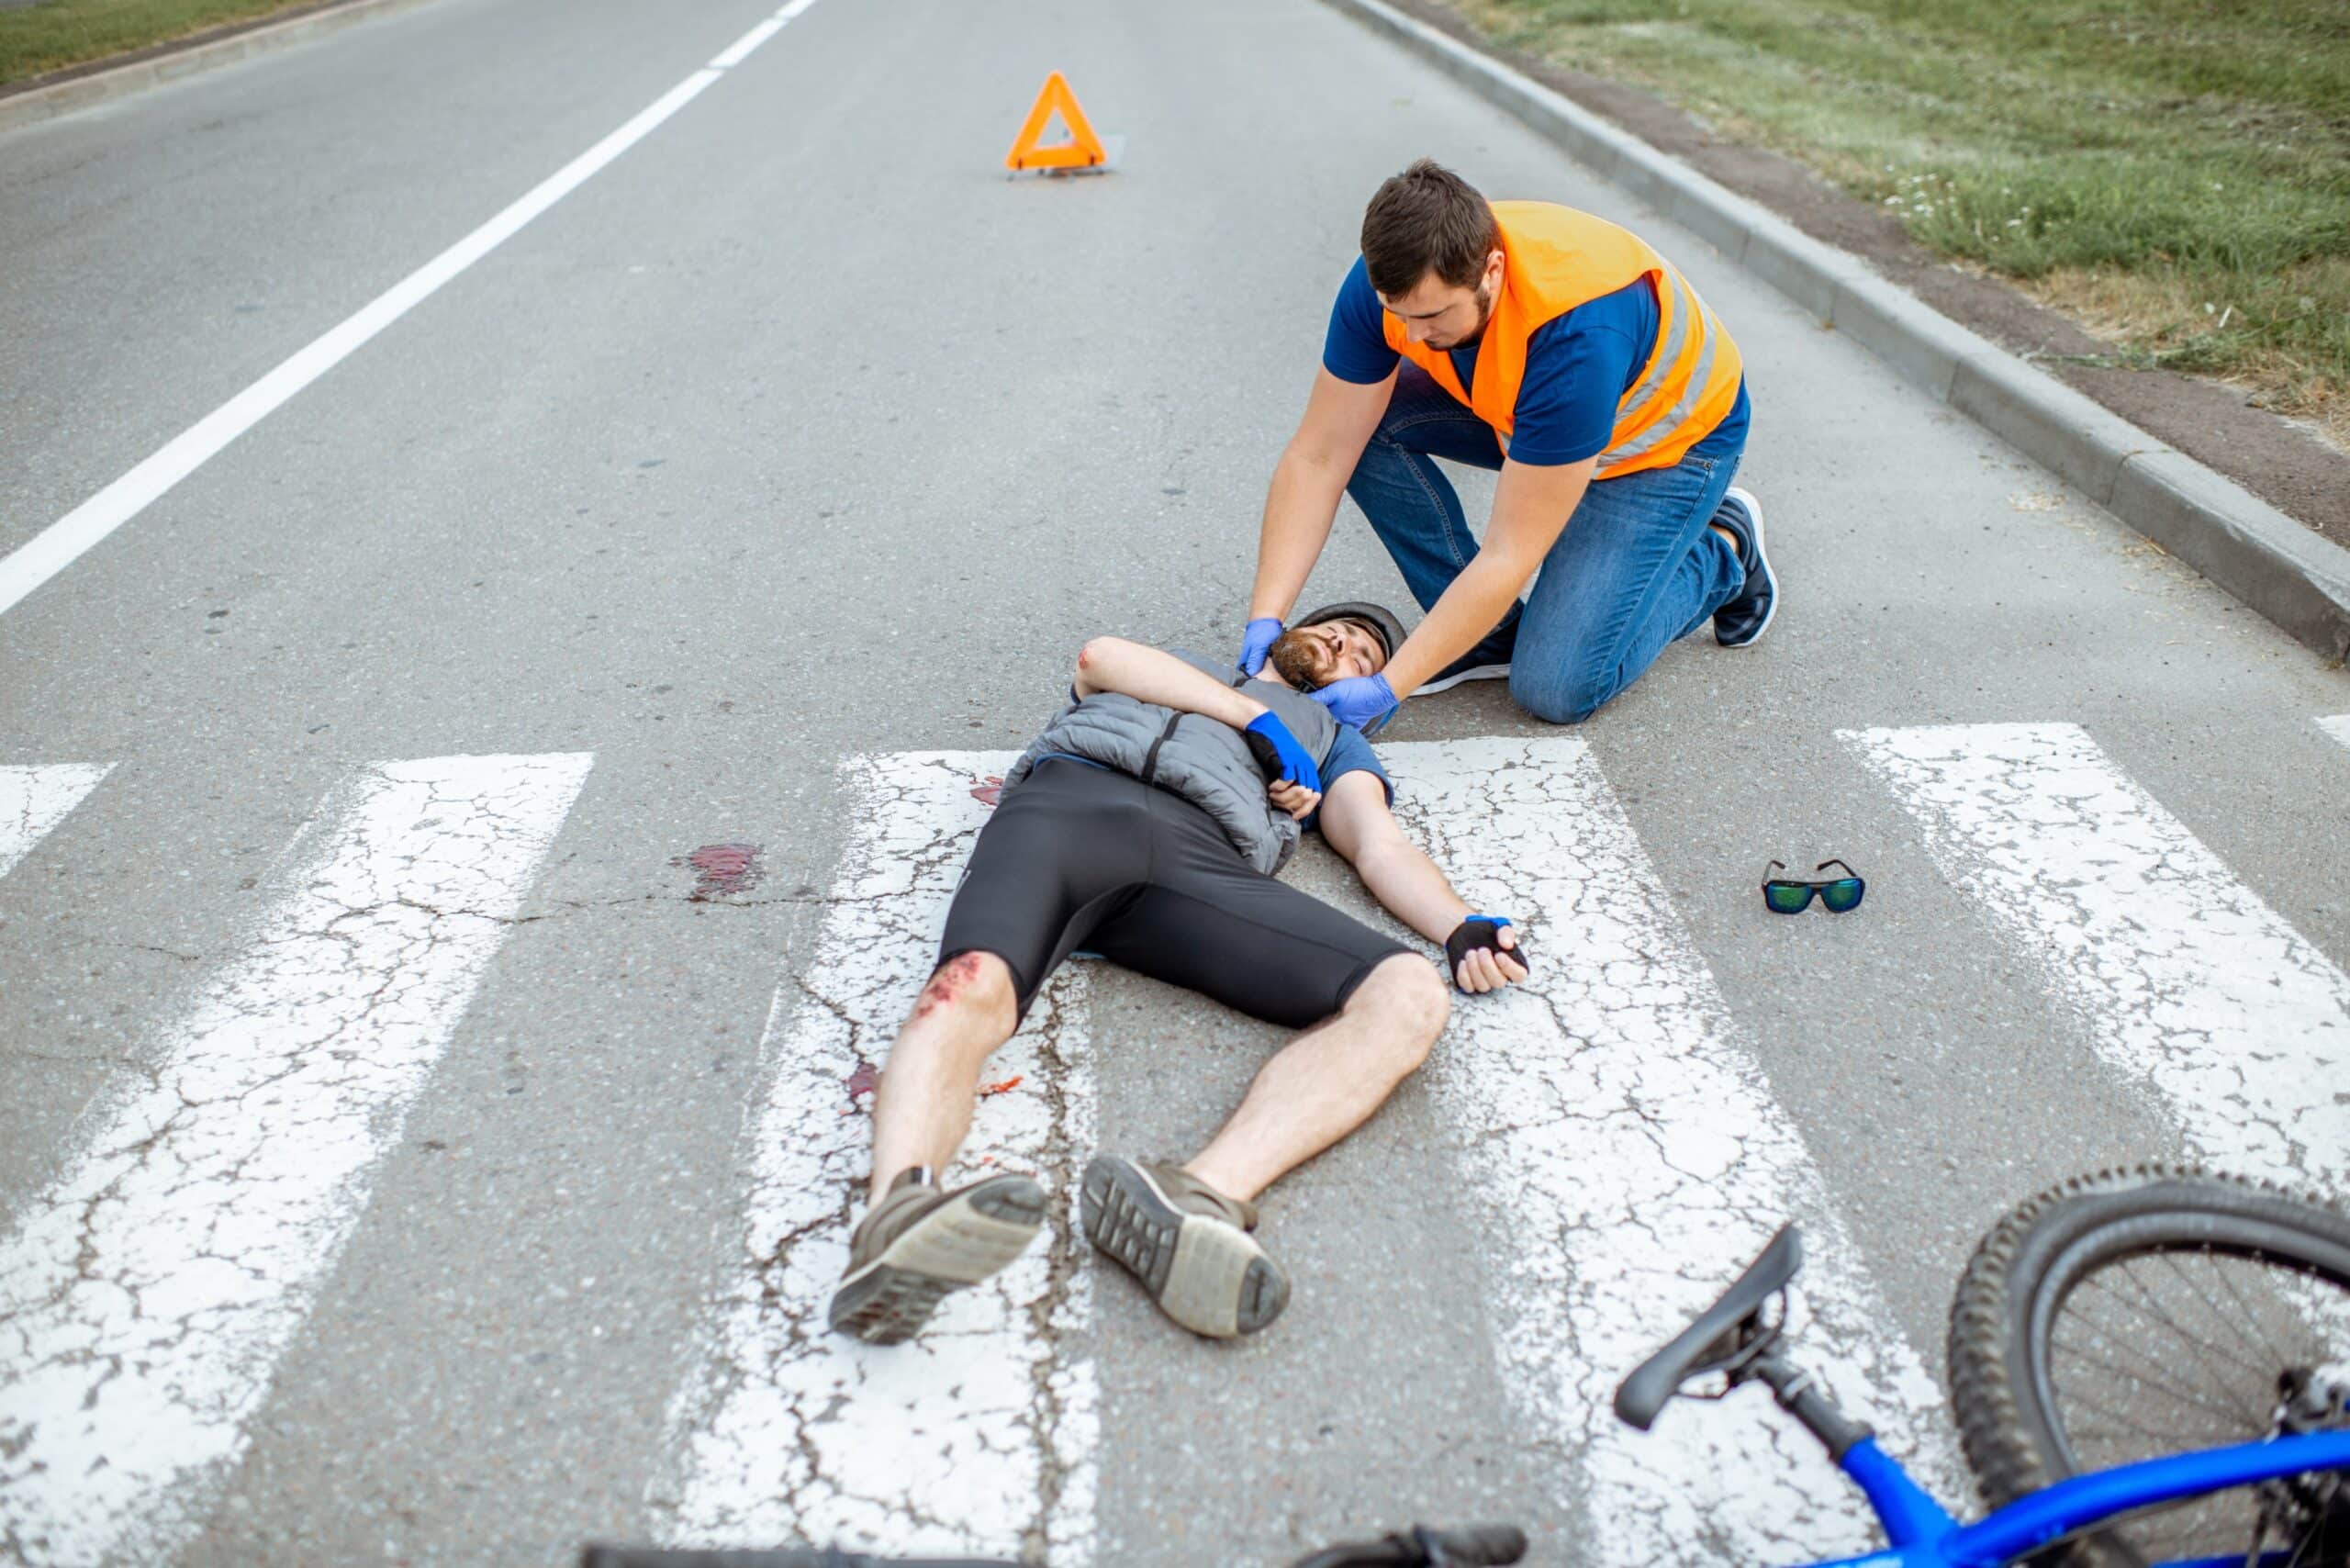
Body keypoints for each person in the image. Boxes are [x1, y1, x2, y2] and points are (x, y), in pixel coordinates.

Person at [826, 605, 1528, 1346]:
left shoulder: (1337, 742)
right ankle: (894, 1221)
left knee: (1408, 993)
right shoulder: (1186, 663)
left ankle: (1197, 1201)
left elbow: (1379, 845)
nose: (1342, 642)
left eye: (1363, 655)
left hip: (1201, 860)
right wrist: (1256, 722)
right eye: (1336, 627)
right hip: (1068, 808)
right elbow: (1098, 657)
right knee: (970, 981)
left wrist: (1457, 925)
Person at [1237, 158, 1775, 734]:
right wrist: (1264, 618)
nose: (1413, 336)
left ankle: (1724, 550)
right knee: (1361, 428)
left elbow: (1510, 552)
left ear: (1491, 272)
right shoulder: (1391, 284)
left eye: (1433, 316)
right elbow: (1319, 456)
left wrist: (1391, 686)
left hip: (1664, 449)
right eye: (1399, 314)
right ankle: (1488, 639)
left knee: (1556, 687)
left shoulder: (1577, 335)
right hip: (1529, 419)